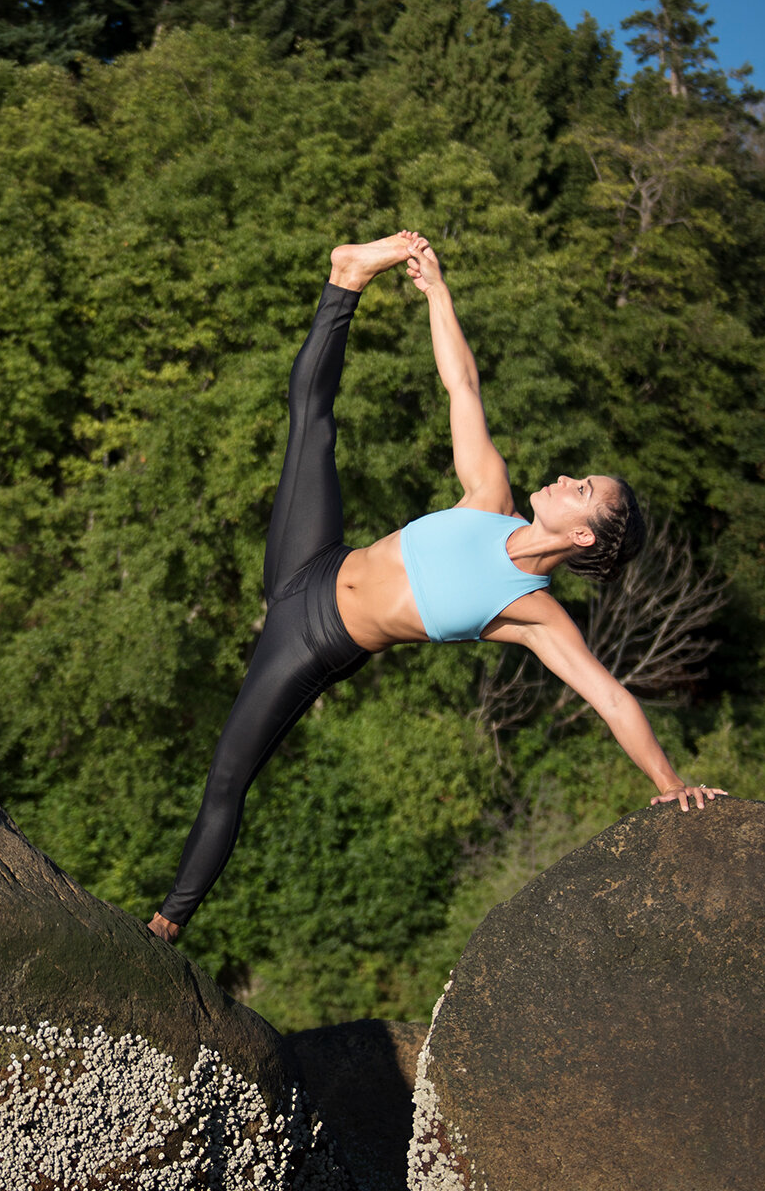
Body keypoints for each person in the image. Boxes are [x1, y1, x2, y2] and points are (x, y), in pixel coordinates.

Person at [147, 233, 726, 944]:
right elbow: (463, 385)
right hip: (314, 563)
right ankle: (347, 279)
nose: (567, 479)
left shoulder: (533, 613)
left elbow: (608, 695)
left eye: (582, 490)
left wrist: (669, 786)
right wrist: (436, 291)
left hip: (310, 642)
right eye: (579, 475)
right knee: (313, 423)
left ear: (583, 537)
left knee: (228, 778)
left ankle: (166, 924)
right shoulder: (488, 495)